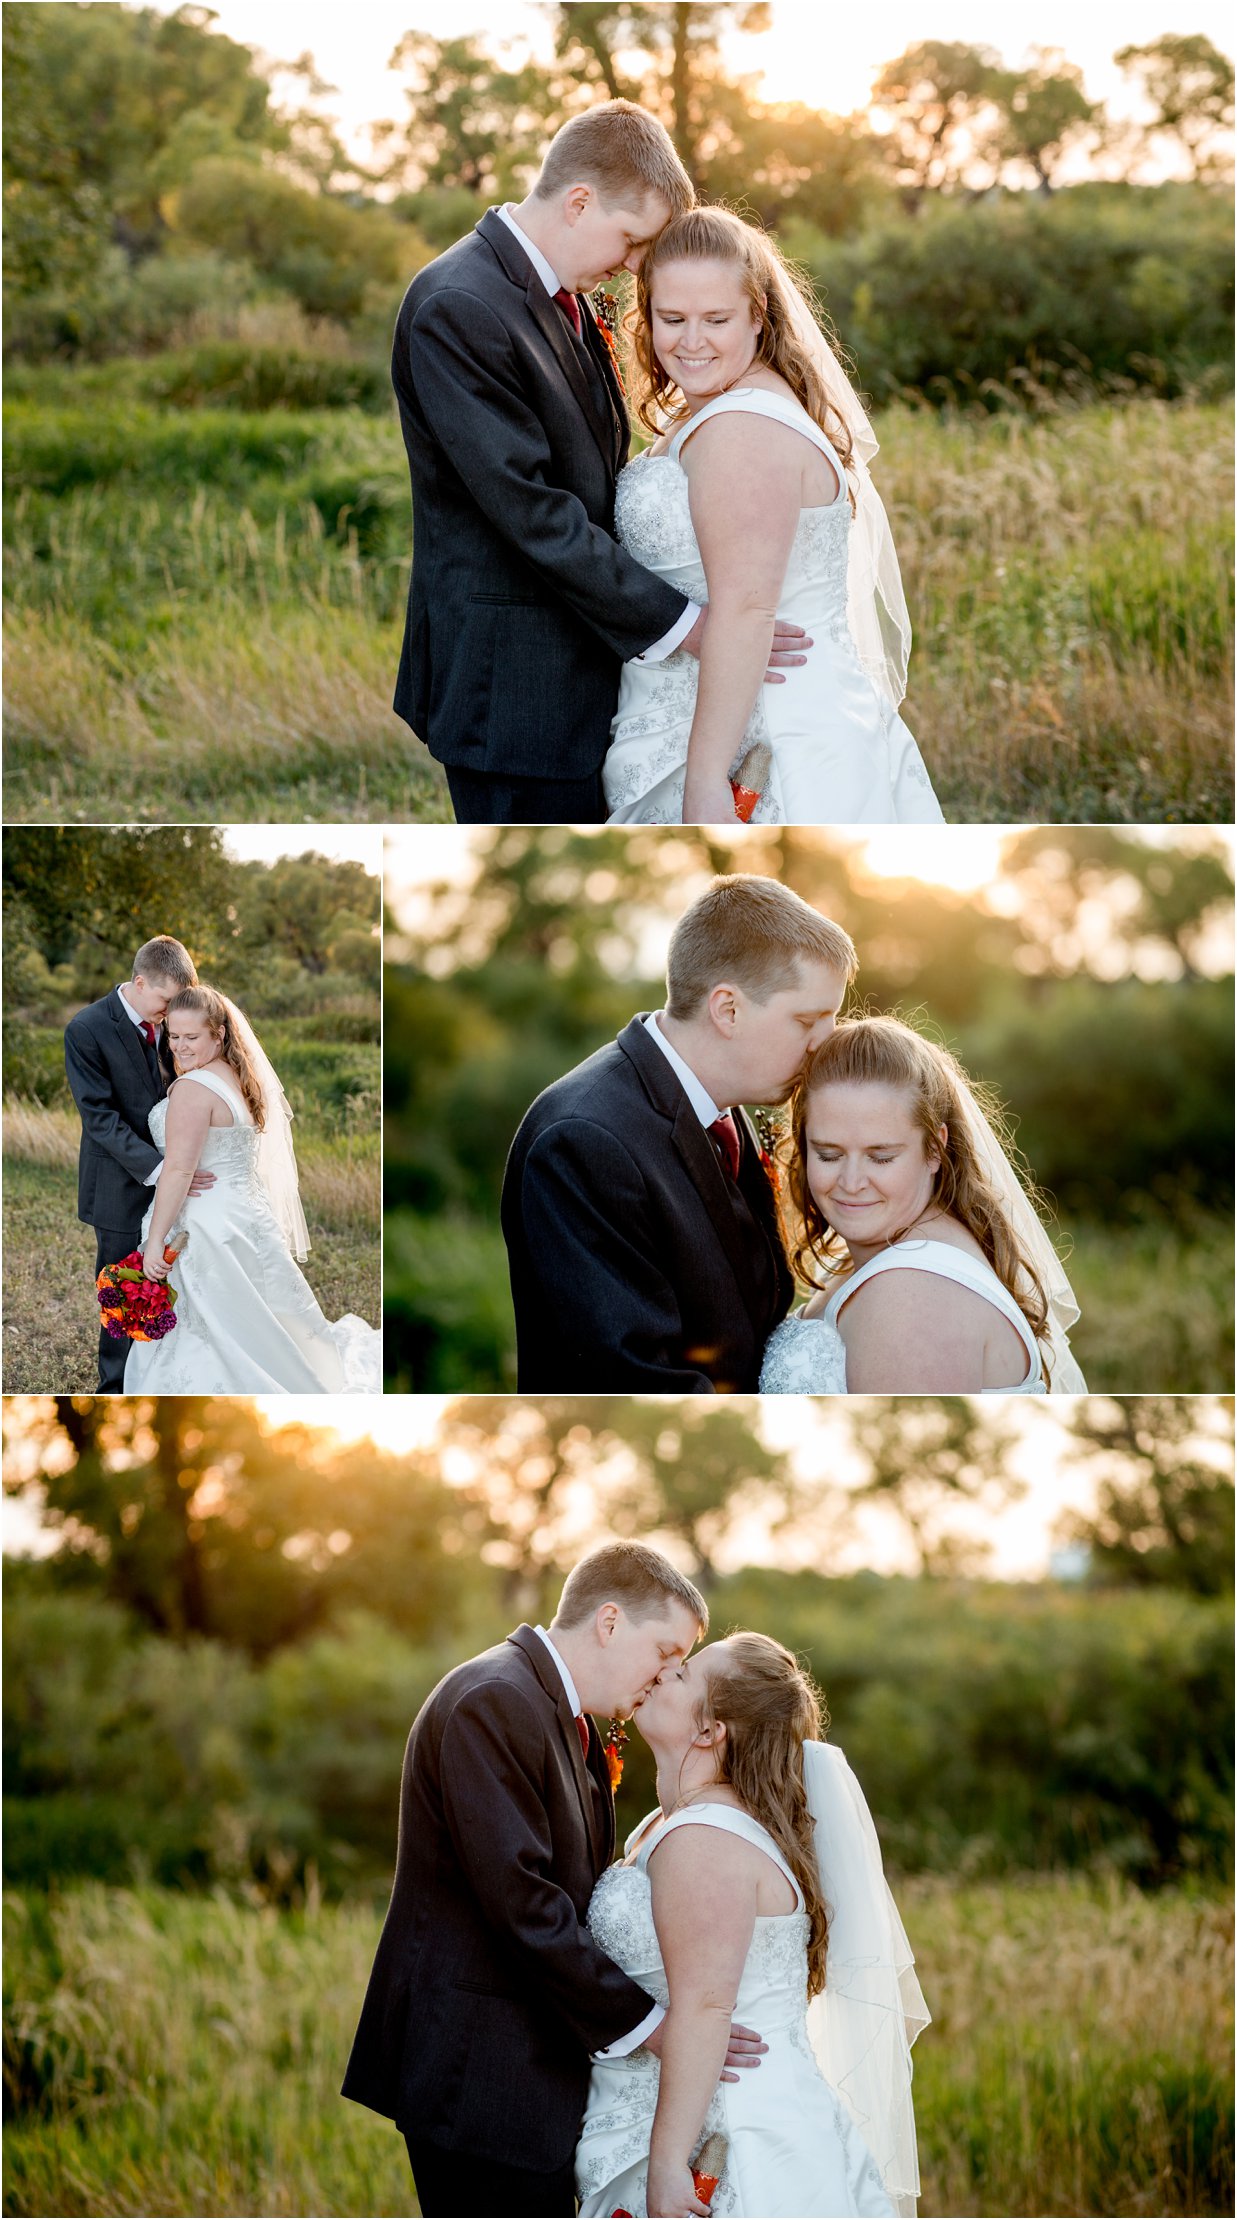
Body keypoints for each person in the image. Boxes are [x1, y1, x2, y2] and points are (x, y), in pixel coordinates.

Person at [391, 104, 810, 825]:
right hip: (512, 692)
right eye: (630, 240)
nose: (633, 266)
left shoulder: (562, 297)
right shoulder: (460, 304)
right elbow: (531, 509)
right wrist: (689, 625)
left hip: (579, 681)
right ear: (579, 202)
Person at [341, 1544, 767, 2219]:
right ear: (607, 1622)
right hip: (479, 2076)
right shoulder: (493, 1700)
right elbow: (524, 1905)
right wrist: (656, 2026)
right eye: (663, 1652)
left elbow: (584, 1899)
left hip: (528, 2076)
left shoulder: (566, 1719)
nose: (664, 1677)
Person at [603, 206, 944, 826]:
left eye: (717, 320)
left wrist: (706, 781)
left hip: (771, 733)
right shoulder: (737, 401)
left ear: (758, 316)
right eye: (671, 318)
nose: (691, 341)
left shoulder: (743, 428)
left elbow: (746, 608)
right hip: (743, 708)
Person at [577, 1631, 929, 2218]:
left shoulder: (705, 1839)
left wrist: (666, 2168)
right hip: (669, 2107)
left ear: (711, 1730)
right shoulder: (668, 1825)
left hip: (731, 2132)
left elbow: (705, 2008)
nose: (664, 1673)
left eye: (684, 1674)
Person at [501, 875, 856, 1390]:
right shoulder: (583, 1140)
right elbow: (633, 1379)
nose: (824, 1043)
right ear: (727, 1009)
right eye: (808, 1020)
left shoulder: (724, 1102)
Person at [760, 1016, 1086, 1393]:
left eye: (880, 1157)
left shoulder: (912, 1297)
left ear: (934, 1148)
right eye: (829, 1155)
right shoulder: (896, 1247)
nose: (850, 1183)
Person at [123, 985, 379, 1393]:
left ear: (218, 1034)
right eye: (173, 1036)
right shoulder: (235, 1075)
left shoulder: (191, 1089)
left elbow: (179, 1171)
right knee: (260, 1316)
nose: (181, 1047)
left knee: (213, 1328)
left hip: (206, 1225)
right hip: (246, 1216)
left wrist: (154, 1243)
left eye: (192, 1037)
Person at [64, 935, 215, 1393]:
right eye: (166, 1001)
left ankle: (159, 1376)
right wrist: (163, 1169)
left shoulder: (172, 1025)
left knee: (171, 1285)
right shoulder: (86, 1029)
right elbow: (99, 1117)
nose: (170, 1016)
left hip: (177, 1180)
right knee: (122, 1291)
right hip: (116, 1183)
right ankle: (114, 1387)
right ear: (139, 981)